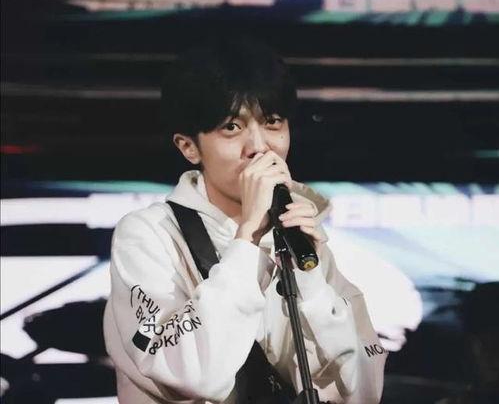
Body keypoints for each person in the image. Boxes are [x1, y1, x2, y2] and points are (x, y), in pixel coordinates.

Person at [103, 37, 386, 403]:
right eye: (232, 127)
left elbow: (363, 391)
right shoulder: (148, 235)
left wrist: (313, 281)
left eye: (272, 122)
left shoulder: (303, 238)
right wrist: (247, 239)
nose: (259, 146)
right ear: (188, 146)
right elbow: (193, 376)